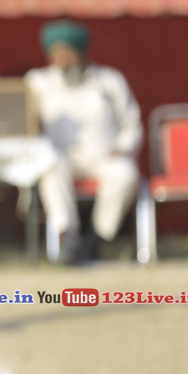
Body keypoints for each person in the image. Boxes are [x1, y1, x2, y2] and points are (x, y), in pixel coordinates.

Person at [28, 21, 142, 263]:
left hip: (105, 156)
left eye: (67, 52)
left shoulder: (109, 80)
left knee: (125, 174)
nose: (63, 59)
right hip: (62, 157)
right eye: (56, 53)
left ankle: (96, 240)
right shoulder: (38, 82)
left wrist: (122, 147)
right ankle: (68, 237)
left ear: (81, 52)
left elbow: (132, 123)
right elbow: (21, 119)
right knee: (48, 168)